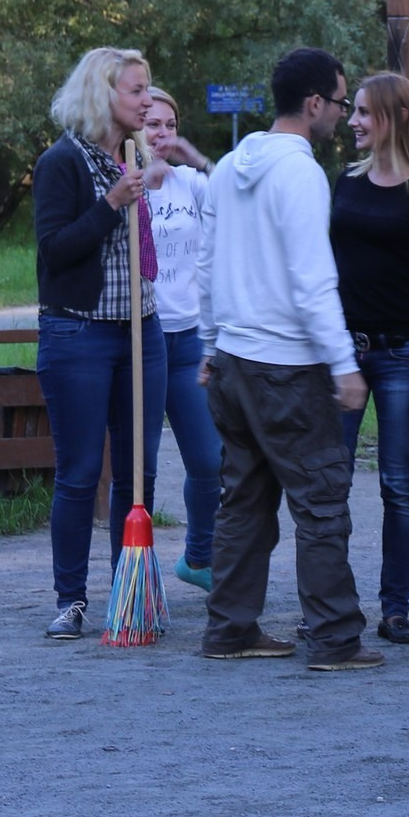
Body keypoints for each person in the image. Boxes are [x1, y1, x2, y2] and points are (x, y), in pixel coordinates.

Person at [197, 48, 380, 672]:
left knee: (243, 501)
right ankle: (335, 638)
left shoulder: (229, 166)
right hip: (288, 367)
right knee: (321, 502)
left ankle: (229, 628)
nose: (343, 115)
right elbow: (312, 278)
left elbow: (206, 264)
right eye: (341, 103)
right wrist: (342, 363)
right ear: (314, 103)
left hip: (232, 362)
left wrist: (209, 345)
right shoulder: (300, 173)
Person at [29, 47, 166, 641]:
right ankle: (71, 599)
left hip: (142, 332)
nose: (147, 101)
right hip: (79, 332)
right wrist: (112, 203)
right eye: (136, 90)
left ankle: (127, 595)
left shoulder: (136, 155)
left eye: (147, 90)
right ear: (101, 95)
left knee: (140, 473)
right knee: (81, 473)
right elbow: (54, 251)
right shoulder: (61, 162)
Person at [332, 73, 409, 646]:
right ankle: (330, 605)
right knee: (330, 482)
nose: (354, 121)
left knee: (399, 484)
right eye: (353, 110)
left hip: (402, 354)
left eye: (365, 112)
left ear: (398, 116)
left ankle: (395, 608)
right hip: (343, 351)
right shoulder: (345, 181)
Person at [139, 88, 224, 592]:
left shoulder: (189, 183)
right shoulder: (124, 185)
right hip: (143, 340)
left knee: (210, 460)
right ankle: (135, 573)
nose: (163, 134)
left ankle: (198, 557)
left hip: (189, 340)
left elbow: (234, 199)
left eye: (170, 125)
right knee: (141, 467)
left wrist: (193, 156)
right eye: (152, 124)